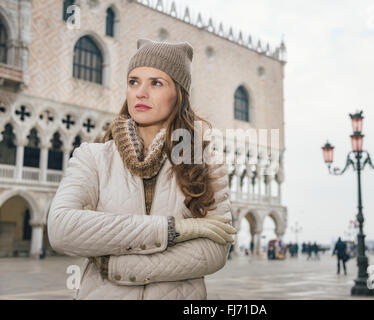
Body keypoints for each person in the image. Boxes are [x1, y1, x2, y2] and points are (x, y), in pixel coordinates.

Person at [47, 39, 237, 300]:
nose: (140, 92)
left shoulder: (205, 164)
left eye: (156, 83)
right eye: (133, 81)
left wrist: (115, 266)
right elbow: (61, 229)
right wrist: (176, 231)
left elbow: (212, 253)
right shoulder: (93, 157)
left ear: (178, 94)